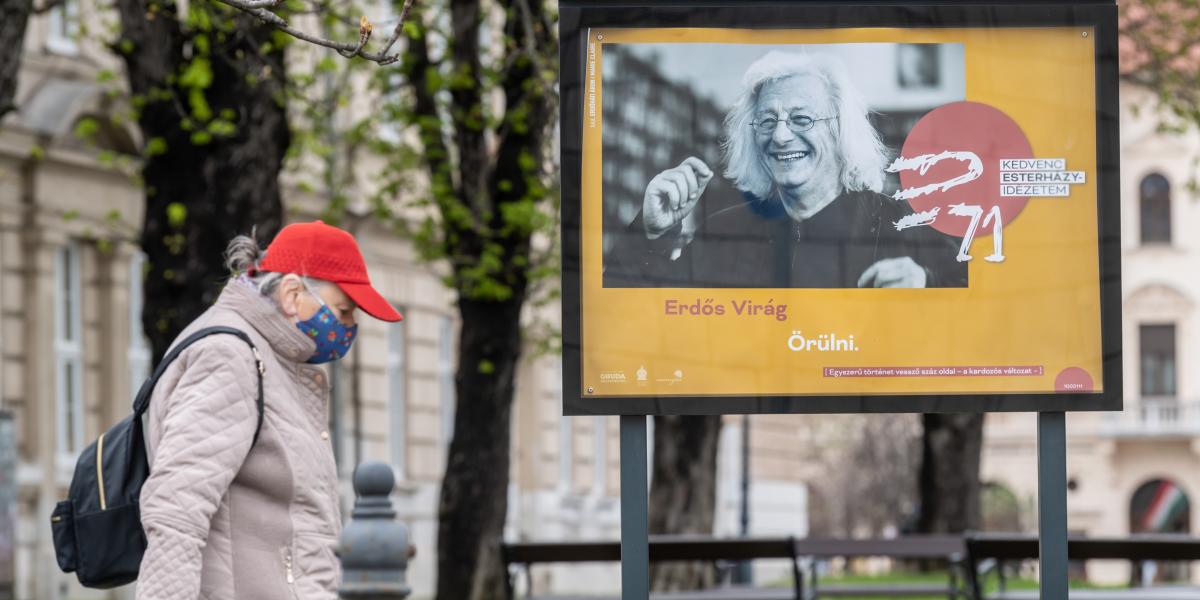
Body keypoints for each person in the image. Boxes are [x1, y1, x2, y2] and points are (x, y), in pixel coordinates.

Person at [135, 221, 403, 600]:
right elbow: (177, 505)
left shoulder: (271, 361)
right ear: (292, 293)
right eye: (344, 311)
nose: (349, 327)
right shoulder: (230, 355)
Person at [604, 51, 966, 288]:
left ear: (838, 130)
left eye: (801, 119)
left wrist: (927, 282)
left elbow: (983, 296)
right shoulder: (725, 230)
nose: (780, 136)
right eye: (766, 121)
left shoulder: (902, 223)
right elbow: (637, 315)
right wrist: (650, 235)